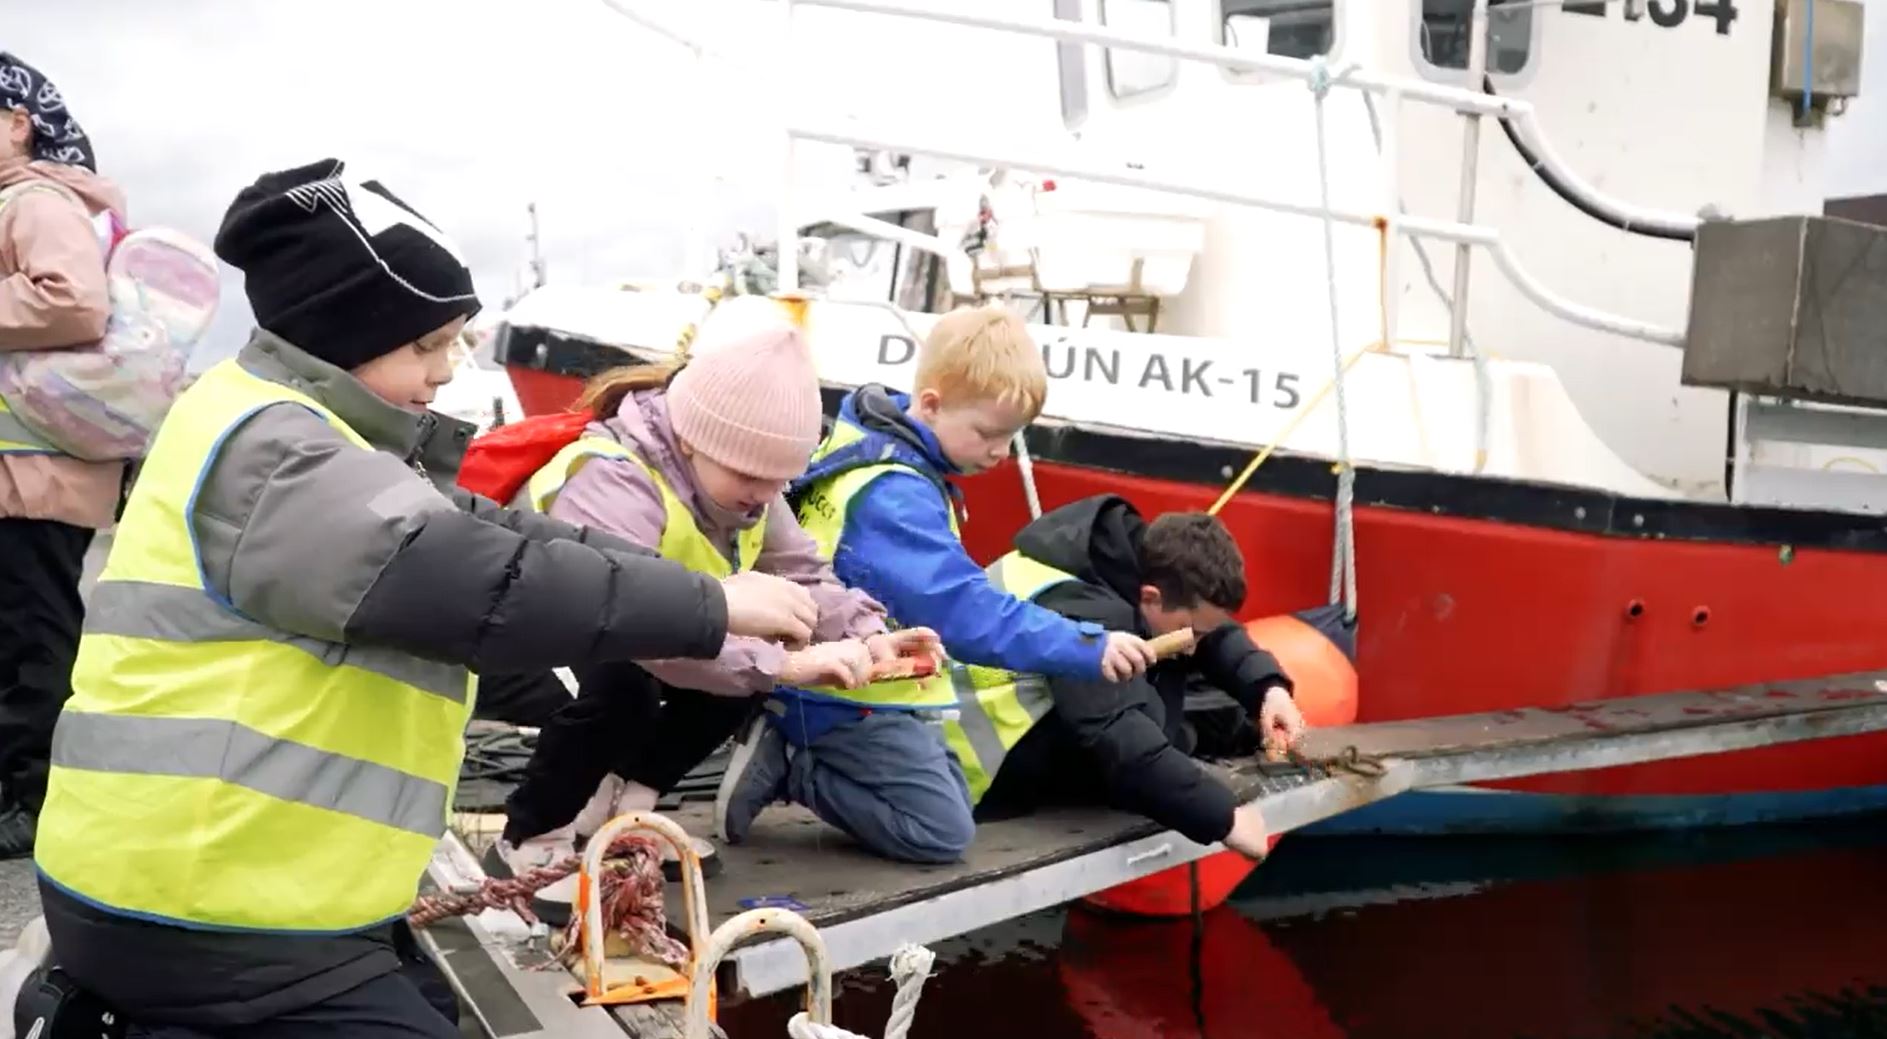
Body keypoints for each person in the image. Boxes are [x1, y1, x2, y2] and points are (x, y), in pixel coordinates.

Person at [27, 159, 819, 1038]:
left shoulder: (298, 427)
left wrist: (713, 594)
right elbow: (479, 581)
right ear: (338, 332)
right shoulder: (280, 453)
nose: (448, 370)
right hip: (198, 907)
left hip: (247, 889)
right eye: (425, 345)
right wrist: (714, 606)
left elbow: (506, 535)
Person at [492, 299, 951, 875]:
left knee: (751, 661)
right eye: (750, 475)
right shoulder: (611, 477)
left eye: (778, 479)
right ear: (691, 439)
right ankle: (530, 839)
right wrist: (789, 667)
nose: (765, 495)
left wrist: (868, 634)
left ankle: (629, 815)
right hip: (523, 639)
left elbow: (803, 575)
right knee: (622, 693)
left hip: (635, 633)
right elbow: (640, 630)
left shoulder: (749, 490)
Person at [715, 303, 1160, 855]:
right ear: (930, 404)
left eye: (1013, 436)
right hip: (837, 686)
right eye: (989, 434)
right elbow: (963, 612)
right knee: (941, 832)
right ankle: (791, 762)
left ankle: (796, 742)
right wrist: (1086, 645)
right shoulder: (896, 496)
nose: (1000, 452)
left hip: (858, 672)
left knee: (953, 793)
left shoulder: (876, 446)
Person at [952, 493, 1308, 860]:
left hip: (1027, 734)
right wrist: (1224, 818)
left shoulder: (1134, 561)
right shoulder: (1085, 618)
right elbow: (1118, 740)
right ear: (1151, 597)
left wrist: (1268, 689)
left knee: (1186, 715)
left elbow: (1210, 630)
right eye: (1189, 632)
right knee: (1146, 740)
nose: (1192, 647)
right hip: (982, 779)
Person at [0, 52, 128, 858]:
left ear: (17, 124)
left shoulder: (35, 201)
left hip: (37, 472)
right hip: (25, 468)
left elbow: (73, 299)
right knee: (21, 636)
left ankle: (37, 801)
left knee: (35, 638)